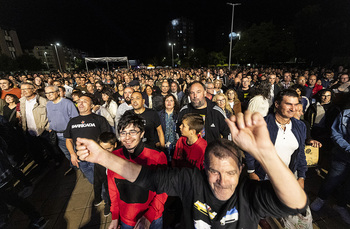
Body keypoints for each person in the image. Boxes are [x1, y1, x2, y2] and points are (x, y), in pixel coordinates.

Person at [76, 111, 307, 229]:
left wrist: (265, 153)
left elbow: (296, 203)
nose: (222, 181)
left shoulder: (249, 193)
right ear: (204, 169)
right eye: (215, 172)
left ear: (241, 170)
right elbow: (145, 176)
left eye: (230, 173)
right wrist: (102, 156)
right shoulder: (191, 180)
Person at [107, 112, 167, 229]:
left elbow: (163, 190)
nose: (127, 137)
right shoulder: (114, 156)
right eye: (123, 133)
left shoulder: (157, 156)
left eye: (132, 132)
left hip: (153, 219)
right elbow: (113, 190)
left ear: (142, 133)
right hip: (126, 220)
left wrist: (149, 216)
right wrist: (115, 217)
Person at [245, 89, 307, 188]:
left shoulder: (300, 126)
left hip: (286, 179)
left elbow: (301, 153)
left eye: (296, 104)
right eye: (289, 104)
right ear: (277, 104)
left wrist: (301, 176)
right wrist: (251, 171)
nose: (293, 109)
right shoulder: (261, 124)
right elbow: (249, 150)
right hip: (262, 179)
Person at [310, 107, 350, 225]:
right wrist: (348, 148)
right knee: (332, 180)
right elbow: (335, 133)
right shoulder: (345, 114)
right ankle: (321, 198)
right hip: (342, 156)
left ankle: (341, 205)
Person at [64, 94, 111, 184]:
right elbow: (68, 140)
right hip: (81, 159)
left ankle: (107, 196)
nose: (81, 104)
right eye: (79, 102)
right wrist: (72, 154)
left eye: (85, 102)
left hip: (96, 159)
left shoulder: (99, 119)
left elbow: (107, 138)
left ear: (92, 105)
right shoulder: (72, 121)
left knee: (103, 181)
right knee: (93, 181)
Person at [20, 82, 61, 168]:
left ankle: (58, 161)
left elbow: (51, 115)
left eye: (26, 89)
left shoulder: (43, 101)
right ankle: (42, 165)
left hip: (43, 129)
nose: (24, 91)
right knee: (35, 150)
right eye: (22, 89)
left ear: (33, 89)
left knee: (51, 147)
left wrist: (49, 126)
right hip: (30, 130)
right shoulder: (22, 101)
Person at [45, 85, 79, 174]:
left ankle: (83, 168)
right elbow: (50, 118)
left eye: (51, 92)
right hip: (57, 135)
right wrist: (51, 128)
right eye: (47, 93)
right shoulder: (48, 104)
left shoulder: (67, 103)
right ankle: (75, 167)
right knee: (67, 154)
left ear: (58, 92)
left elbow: (75, 118)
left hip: (69, 134)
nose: (49, 95)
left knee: (75, 152)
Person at [96, 132, 116, 217]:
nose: (105, 152)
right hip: (108, 185)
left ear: (115, 145)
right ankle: (108, 204)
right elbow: (97, 180)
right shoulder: (98, 160)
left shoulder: (121, 156)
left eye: (108, 148)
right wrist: (97, 198)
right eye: (102, 149)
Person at [158, 94, 179, 162]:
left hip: (175, 145)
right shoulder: (159, 115)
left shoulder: (178, 114)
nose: (169, 102)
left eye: (171, 100)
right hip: (162, 145)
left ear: (174, 103)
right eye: (167, 100)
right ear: (164, 102)